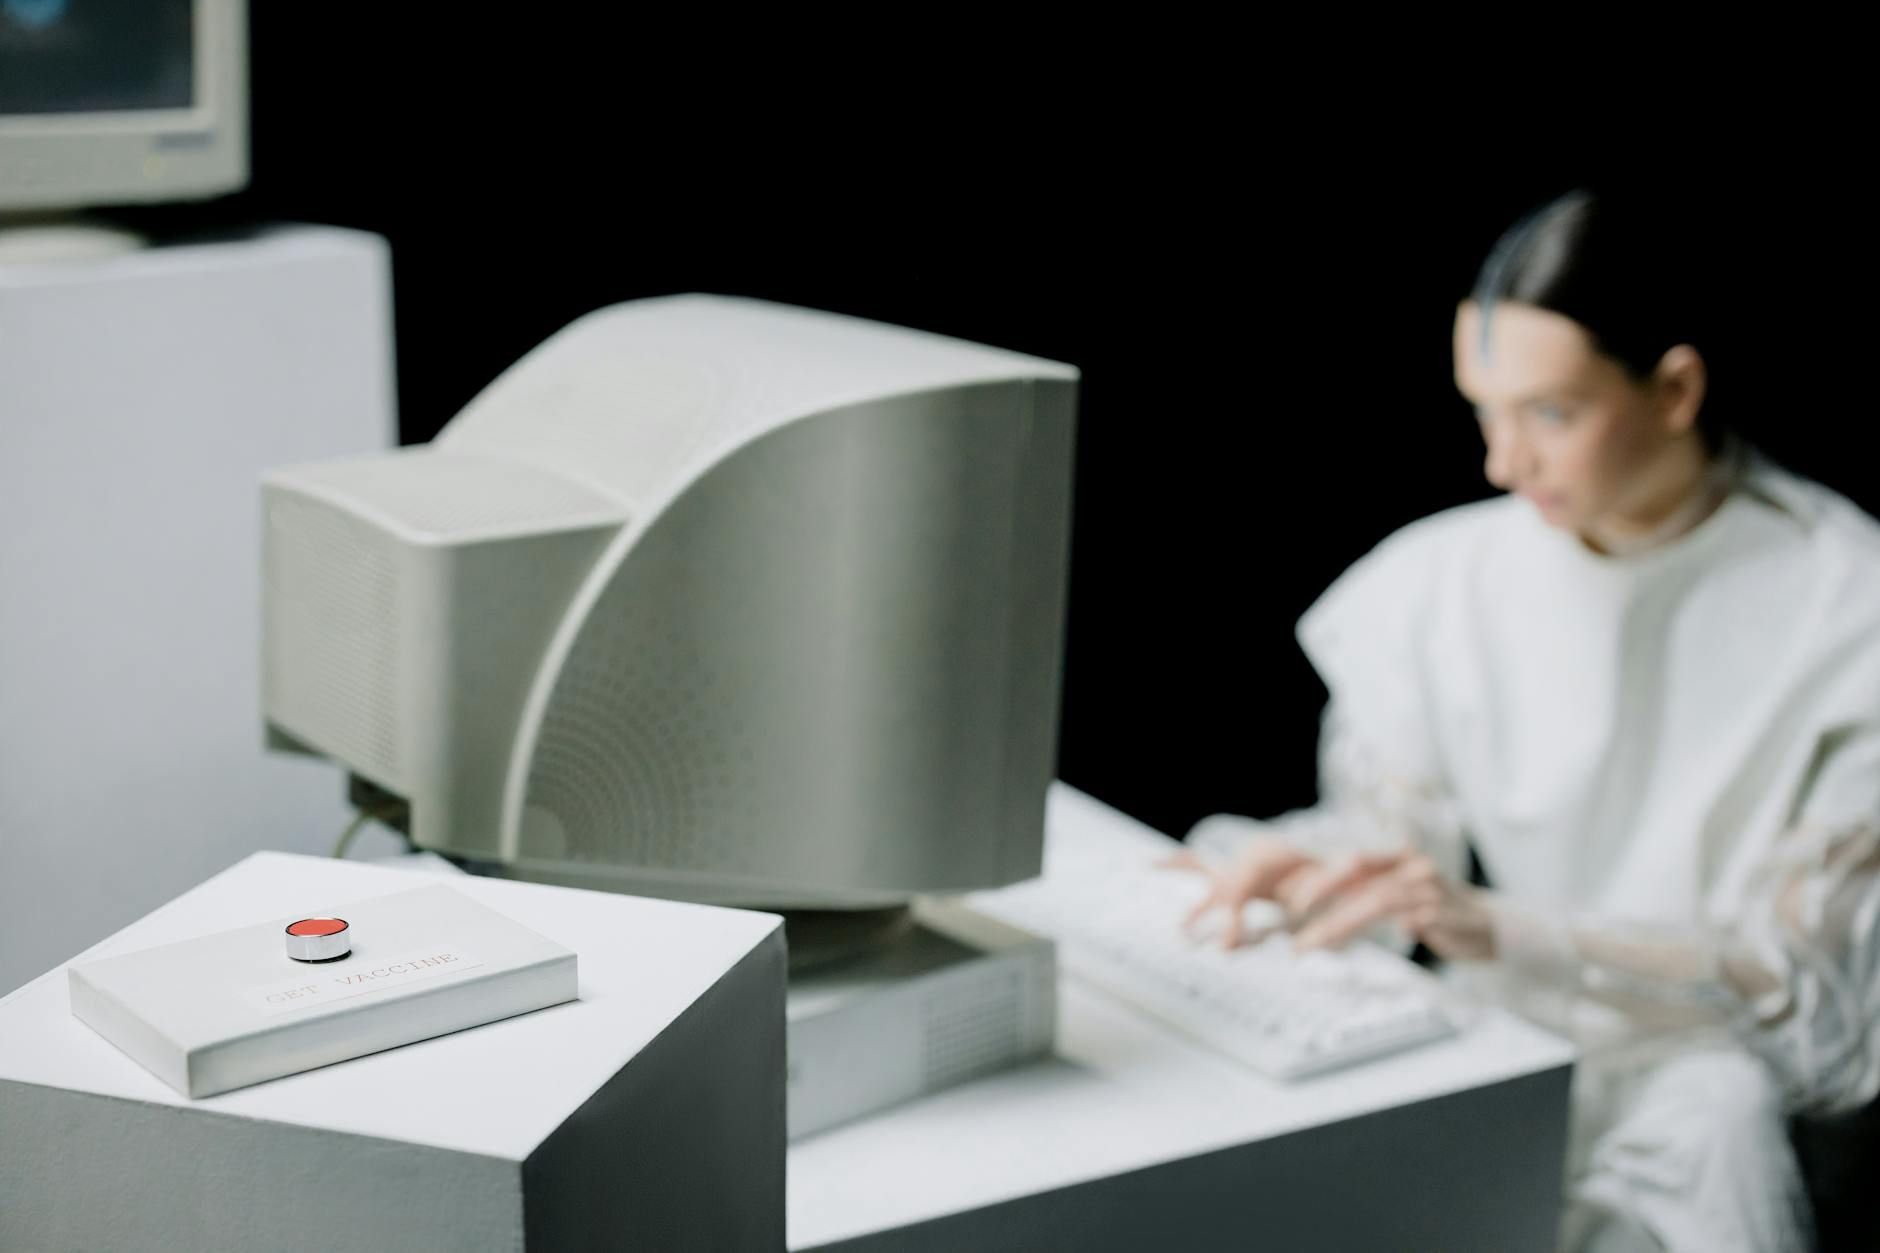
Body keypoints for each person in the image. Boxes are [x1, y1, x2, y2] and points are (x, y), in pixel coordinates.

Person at [1172, 188, 1880, 1252]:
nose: (1503, 464)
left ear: (1675, 389)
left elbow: (1810, 992)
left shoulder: (1848, 605)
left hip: (1707, 1099)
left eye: (1550, 414)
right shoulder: (1440, 580)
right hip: (1490, 1049)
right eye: (1483, 412)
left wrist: (1499, 928)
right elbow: (1393, 847)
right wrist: (1317, 874)